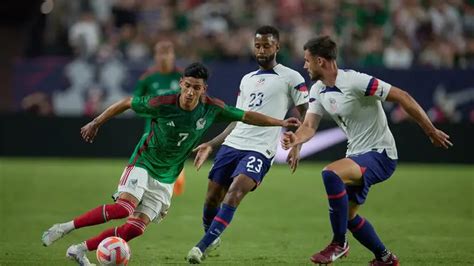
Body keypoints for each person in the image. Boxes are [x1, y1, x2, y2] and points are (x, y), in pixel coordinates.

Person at [41, 62, 301, 266]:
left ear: (203, 90)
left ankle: (79, 249)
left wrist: (281, 123)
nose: (190, 92)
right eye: (187, 86)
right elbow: (126, 103)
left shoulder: (212, 108)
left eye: (196, 88)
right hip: (144, 161)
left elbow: (246, 115)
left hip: (167, 175)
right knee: (123, 209)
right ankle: (64, 228)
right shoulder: (163, 103)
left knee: (136, 227)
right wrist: (96, 122)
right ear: (181, 84)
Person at [281, 36, 453, 265]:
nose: (304, 66)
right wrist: (296, 140)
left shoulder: (356, 81)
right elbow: (309, 126)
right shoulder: (318, 90)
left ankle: (338, 244)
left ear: (320, 61)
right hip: (357, 154)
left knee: (330, 173)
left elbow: (403, 96)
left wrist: (430, 131)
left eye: (307, 61)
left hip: (381, 154)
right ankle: (385, 258)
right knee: (349, 216)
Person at [186, 25, 309, 264]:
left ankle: (200, 247)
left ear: (277, 46)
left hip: (260, 149)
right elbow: (238, 117)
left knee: (234, 193)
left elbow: (307, 114)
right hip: (233, 144)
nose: (261, 51)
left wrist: (298, 144)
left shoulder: (292, 77)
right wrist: (211, 143)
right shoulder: (247, 79)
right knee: (212, 199)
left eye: (266, 45)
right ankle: (211, 236)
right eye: (257, 46)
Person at [133, 40, 186, 196]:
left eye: (167, 53)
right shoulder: (147, 78)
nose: (164, 57)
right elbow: (135, 102)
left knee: (173, 154)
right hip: (154, 125)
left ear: (173, 55)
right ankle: (147, 187)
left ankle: (176, 177)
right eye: (161, 53)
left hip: (178, 126)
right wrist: (149, 111)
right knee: (149, 155)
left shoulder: (182, 76)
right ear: (155, 56)